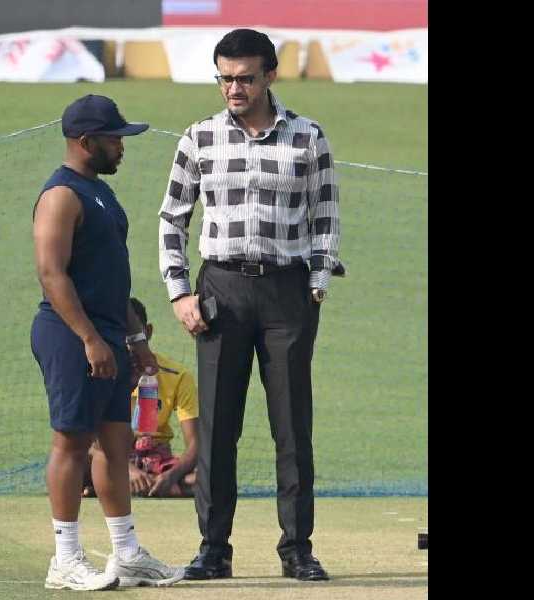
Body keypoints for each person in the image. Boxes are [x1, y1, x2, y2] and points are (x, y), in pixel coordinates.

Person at [157, 29, 344, 582]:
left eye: (243, 77)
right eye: (224, 78)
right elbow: (172, 218)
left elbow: (326, 216)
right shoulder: (199, 138)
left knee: (292, 426)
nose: (232, 88)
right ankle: (213, 550)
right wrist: (179, 291)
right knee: (217, 427)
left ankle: (297, 548)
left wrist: (316, 286)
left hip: (288, 294)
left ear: (270, 76)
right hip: (221, 291)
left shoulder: (309, 137)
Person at [31, 94, 184, 591]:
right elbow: (52, 275)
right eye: (114, 138)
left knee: (116, 445)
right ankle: (65, 560)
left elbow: (111, 278)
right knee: (72, 442)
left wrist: (136, 339)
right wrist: (90, 339)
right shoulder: (61, 196)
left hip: (108, 337)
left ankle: (127, 554)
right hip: (70, 333)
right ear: (84, 142)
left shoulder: (100, 193)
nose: (122, 147)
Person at [84, 297, 199, 499]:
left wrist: (171, 476)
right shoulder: (99, 369)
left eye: (133, 335)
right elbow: (90, 440)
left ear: (148, 332)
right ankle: (140, 486)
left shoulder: (177, 375)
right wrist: (129, 470)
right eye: (118, 333)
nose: (127, 343)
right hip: (111, 456)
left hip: (158, 461)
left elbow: (196, 443)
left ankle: (116, 487)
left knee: (211, 479)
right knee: (77, 463)